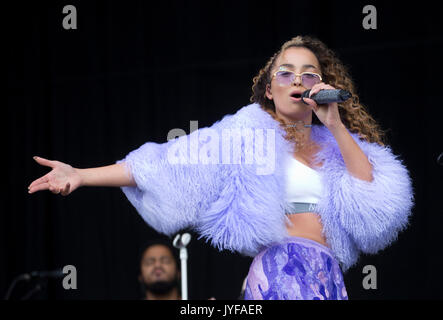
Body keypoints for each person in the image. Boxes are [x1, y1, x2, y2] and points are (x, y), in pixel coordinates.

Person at [28, 35, 414, 300]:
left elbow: (375, 200)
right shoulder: (246, 135)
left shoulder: (337, 144)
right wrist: (80, 175)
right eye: (286, 71)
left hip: (328, 277)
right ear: (269, 89)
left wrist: (334, 124)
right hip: (280, 271)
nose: (297, 78)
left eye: (308, 72)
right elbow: (164, 164)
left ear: (320, 85)